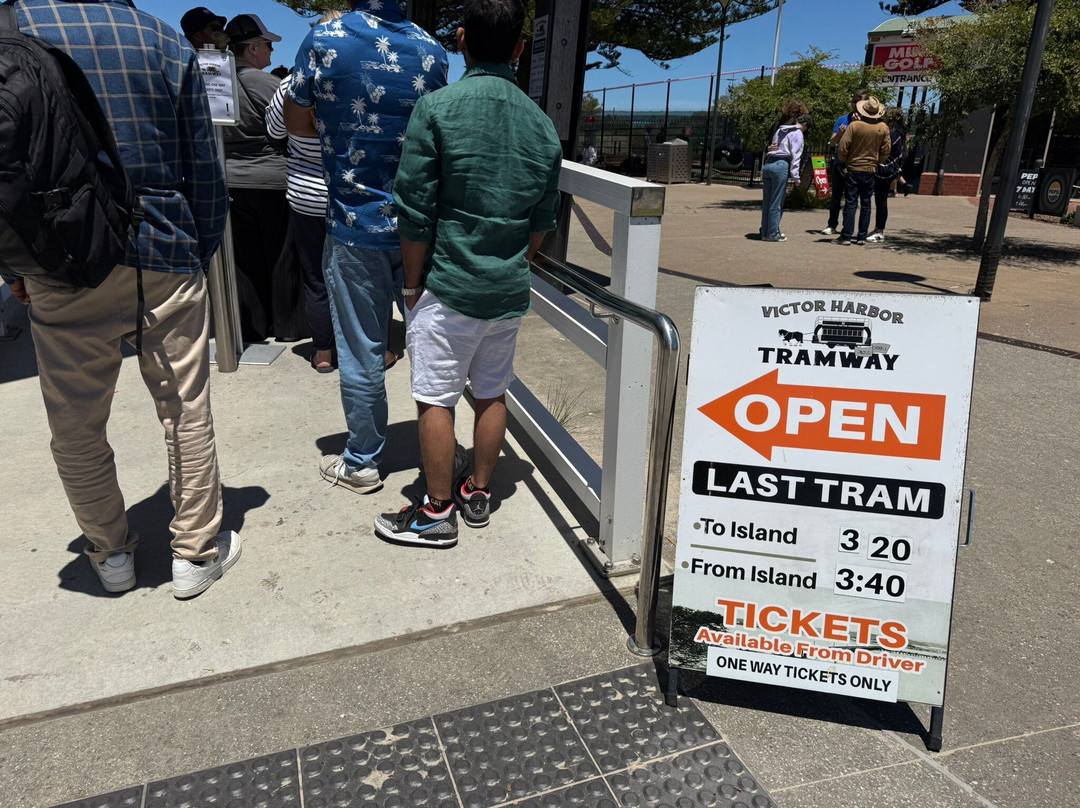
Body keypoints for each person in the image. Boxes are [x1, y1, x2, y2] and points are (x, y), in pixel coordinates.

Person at [10, 0, 240, 598]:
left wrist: (17, 264)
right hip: (162, 246)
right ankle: (195, 553)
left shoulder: (16, 29)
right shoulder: (161, 40)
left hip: (61, 258)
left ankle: (110, 554)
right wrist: (200, 245)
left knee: (76, 424)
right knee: (185, 408)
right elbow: (204, 167)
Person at [373, 0, 562, 548]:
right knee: (492, 393)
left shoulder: (436, 109)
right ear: (519, 50)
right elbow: (542, 219)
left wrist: (411, 285)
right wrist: (515, 264)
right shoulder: (541, 125)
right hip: (506, 288)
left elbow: (415, 212)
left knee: (435, 398)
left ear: (461, 40)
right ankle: (478, 492)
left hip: (448, 284)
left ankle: (434, 513)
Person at [284, 0, 448, 494]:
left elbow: (296, 121)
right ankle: (442, 452)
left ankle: (362, 461)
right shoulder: (432, 50)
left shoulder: (326, 40)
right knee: (436, 347)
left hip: (354, 222)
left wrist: (338, 133)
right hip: (421, 225)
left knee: (360, 350)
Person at [265, 10, 342, 372]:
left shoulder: (290, 85)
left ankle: (323, 351)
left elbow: (275, 132)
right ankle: (361, 347)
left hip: (306, 194)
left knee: (315, 276)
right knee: (358, 278)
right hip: (349, 196)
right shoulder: (356, 82)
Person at [223, 13, 304, 342]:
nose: (272, 51)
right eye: (268, 44)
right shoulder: (266, 83)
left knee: (245, 259)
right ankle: (287, 326)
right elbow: (292, 126)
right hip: (273, 180)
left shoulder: (216, 83)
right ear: (253, 48)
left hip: (231, 178)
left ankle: (253, 327)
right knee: (282, 255)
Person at [837, 96, 891, 246]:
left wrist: (844, 161)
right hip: (871, 169)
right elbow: (886, 150)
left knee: (851, 202)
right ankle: (861, 236)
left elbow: (843, 147)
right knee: (866, 203)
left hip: (853, 167)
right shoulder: (883, 128)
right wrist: (877, 161)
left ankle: (846, 235)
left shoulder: (855, 126)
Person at [821, 89, 868, 235]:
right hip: (840, 164)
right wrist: (841, 133)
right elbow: (832, 142)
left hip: (857, 165)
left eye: (860, 102)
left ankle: (849, 229)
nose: (856, 105)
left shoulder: (868, 121)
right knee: (836, 196)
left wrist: (857, 124)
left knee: (852, 199)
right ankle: (832, 224)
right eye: (855, 102)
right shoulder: (842, 119)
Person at [760, 100, 808, 243]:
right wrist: (796, 177)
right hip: (781, 165)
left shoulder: (779, 130)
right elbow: (796, 156)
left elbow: (773, 147)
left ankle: (765, 231)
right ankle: (773, 233)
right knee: (777, 202)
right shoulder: (797, 133)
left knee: (767, 201)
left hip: (769, 164)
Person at [867, 107, 909, 243]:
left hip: (884, 169)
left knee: (881, 201)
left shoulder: (891, 134)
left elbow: (883, 150)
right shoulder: (901, 133)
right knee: (881, 201)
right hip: (892, 168)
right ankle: (879, 229)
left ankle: (879, 231)